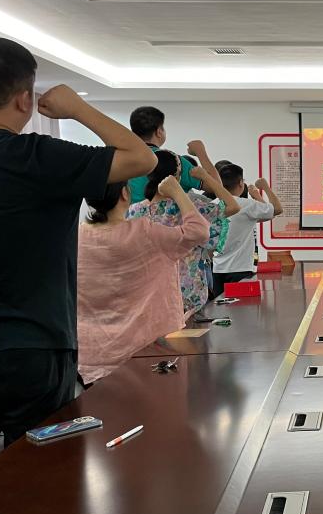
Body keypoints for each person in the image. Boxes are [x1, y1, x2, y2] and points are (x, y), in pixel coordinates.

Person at [0, 37, 156, 478]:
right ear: (24, 99)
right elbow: (142, 158)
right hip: (38, 349)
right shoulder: (42, 155)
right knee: (45, 478)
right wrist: (78, 109)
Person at [78, 175, 211, 383]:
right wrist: (177, 191)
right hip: (146, 353)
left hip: (92, 356)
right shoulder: (145, 232)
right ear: (124, 193)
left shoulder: (77, 236)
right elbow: (199, 231)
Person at [127, 150, 242, 313]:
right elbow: (233, 206)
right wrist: (206, 177)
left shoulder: (133, 211)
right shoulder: (192, 209)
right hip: (187, 294)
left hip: (148, 294)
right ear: (177, 177)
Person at [211, 164, 283, 297]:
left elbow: (267, 215)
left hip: (217, 269)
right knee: (244, 307)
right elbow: (277, 209)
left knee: (219, 308)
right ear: (240, 183)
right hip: (241, 269)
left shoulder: (211, 205)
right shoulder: (246, 205)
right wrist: (265, 187)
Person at [127, 106, 214, 204]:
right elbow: (215, 187)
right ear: (159, 132)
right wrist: (201, 152)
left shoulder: (121, 159)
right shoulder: (174, 162)